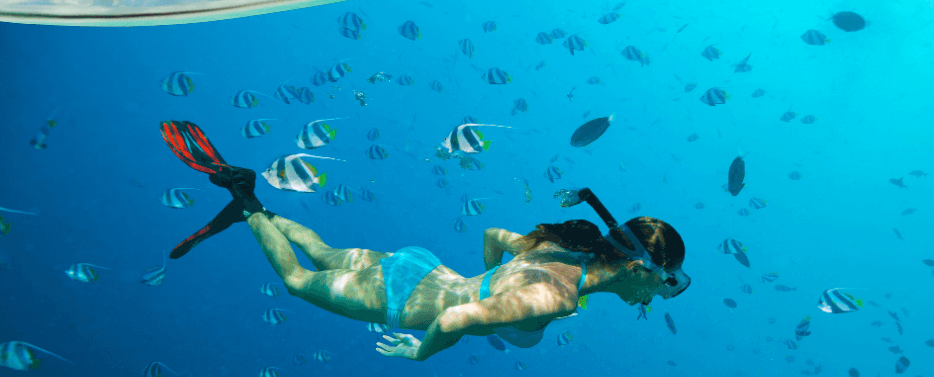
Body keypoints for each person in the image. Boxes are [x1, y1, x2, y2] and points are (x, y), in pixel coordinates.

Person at [160, 121, 691, 361]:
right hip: (403, 301)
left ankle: (261, 209)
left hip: (423, 268)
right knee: (298, 281)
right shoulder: (560, 296)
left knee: (323, 252)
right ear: (643, 268)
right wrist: (421, 353)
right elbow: (458, 320)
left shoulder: (562, 250)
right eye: (669, 286)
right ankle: (249, 204)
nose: (658, 298)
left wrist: (480, 282)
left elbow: (493, 236)